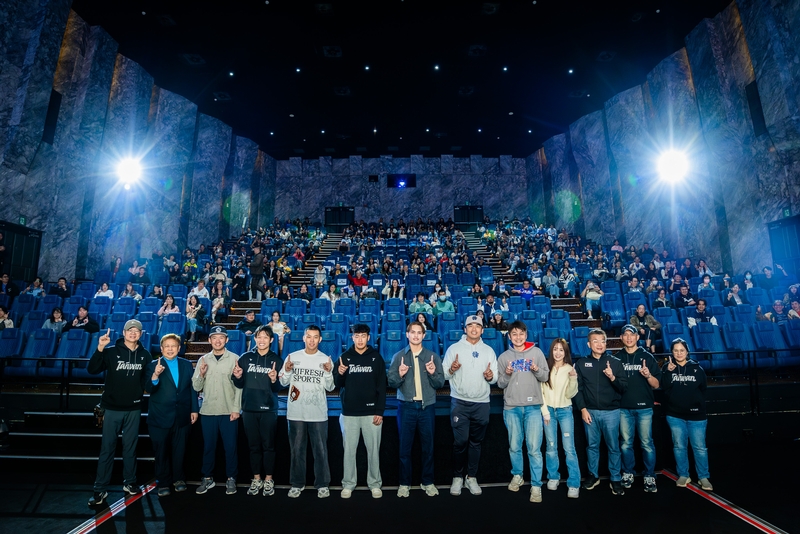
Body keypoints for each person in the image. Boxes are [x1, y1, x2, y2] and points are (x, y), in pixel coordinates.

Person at [86, 321, 153, 506]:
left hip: (134, 408)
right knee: (107, 449)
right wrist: (100, 347)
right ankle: (100, 489)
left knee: (130, 448)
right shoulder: (110, 352)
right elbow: (92, 370)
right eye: (130, 330)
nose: (133, 333)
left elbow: (148, 382)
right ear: (124, 332)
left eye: (136, 331)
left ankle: (130, 482)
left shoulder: (145, 355)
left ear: (141, 334)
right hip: (112, 408)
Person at [442, 315, 498, 496]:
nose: (474, 329)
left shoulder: (489, 350)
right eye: (470, 326)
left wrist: (490, 376)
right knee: (460, 442)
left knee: (476, 442)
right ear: (464, 329)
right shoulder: (454, 349)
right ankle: (457, 477)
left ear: (482, 330)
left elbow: (495, 377)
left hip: (482, 403)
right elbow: (443, 374)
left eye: (477, 326)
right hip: (460, 402)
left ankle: (471, 477)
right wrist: (452, 369)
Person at [387, 321, 444, 497]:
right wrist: (400, 374)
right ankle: (404, 483)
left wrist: (432, 373)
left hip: (427, 407)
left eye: (419, 332)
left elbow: (440, 383)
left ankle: (428, 482)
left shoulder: (432, 356)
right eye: (413, 332)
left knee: (428, 448)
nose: (416, 335)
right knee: (405, 449)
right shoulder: (399, 356)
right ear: (407, 334)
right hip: (406, 407)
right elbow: (391, 382)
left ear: (424, 335)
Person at [278, 325, 335, 498]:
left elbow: (330, 387)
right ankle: (297, 483)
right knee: (297, 450)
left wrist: (327, 372)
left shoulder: (325, 359)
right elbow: (283, 382)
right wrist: (287, 370)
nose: (312, 340)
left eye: (315, 337)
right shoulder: (292, 357)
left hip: (318, 413)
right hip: (296, 412)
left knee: (321, 451)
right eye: (308, 336)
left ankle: (322, 484)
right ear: (304, 338)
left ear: (320, 339)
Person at [496, 321, 549, 502]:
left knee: (534, 449)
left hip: (533, 408)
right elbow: (500, 383)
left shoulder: (537, 353)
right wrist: (507, 373)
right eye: (514, 334)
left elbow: (545, 376)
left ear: (526, 335)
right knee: (514, 446)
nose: (518, 337)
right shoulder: (503, 357)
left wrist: (536, 369)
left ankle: (536, 485)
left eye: (521, 334)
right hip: (512, 408)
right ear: (509, 337)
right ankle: (517, 475)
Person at [334, 324, 387, 499]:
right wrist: (340, 373)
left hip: (372, 413)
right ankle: (348, 484)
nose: (360, 339)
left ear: (368, 337)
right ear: (352, 338)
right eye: (357, 336)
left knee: (373, 452)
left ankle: (375, 484)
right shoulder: (344, 357)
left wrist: (379, 411)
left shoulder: (376, 358)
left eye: (363, 336)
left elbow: (382, 387)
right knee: (349, 452)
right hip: (349, 413)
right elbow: (337, 384)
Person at [573, 328, 628, 495]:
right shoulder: (581, 363)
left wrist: (612, 377)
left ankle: (616, 478)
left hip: (611, 412)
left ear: (606, 343)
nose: (599, 344)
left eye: (602, 341)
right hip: (589, 412)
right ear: (589, 344)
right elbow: (578, 389)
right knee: (592, 446)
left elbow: (624, 387)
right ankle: (593, 475)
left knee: (613, 447)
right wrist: (583, 409)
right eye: (595, 341)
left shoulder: (615, 362)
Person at [145, 334, 199, 497]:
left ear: (179, 348)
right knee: (161, 452)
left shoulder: (186, 364)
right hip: (159, 417)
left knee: (180, 450)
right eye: (167, 346)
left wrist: (194, 409)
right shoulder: (152, 365)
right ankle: (163, 482)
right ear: (161, 349)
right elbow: (148, 388)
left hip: (182, 416)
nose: (170, 349)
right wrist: (155, 375)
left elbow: (192, 389)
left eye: (173, 346)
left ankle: (179, 479)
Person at [232, 325, 283, 497]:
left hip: (269, 410)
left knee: (268, 446)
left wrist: (274, 380)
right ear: (255, 338)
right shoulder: (245, 358)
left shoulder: (277, 360)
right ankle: (256, 478)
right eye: (259, 337)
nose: (262, 340)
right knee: (253, 446)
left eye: (265, 337)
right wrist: (238, 376)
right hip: (249, 409)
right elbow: (239, 383)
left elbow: (278, 388)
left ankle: (268, 479)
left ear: (271, 340)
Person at [192, 326, 242, 495]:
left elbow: (239, 388)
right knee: (208, 447)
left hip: (228, 411)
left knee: (230, 447)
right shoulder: (203, 360)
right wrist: (201, 374)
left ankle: (231, 478)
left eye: (221, 337)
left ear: (226, 340)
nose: (218, 341)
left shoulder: (235, 359)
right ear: (209, 340)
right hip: (208, 411)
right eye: (214, 337)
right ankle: (207, 478)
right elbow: (196, 386)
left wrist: (236, 409)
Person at [616, 325, 661, 493]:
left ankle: (649, 475)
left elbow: (656, 385)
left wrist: (648, 375)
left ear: (637, 337)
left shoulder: (647, 357)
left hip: (644, 409)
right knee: (625, 444)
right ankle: (628, 473)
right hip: (623, 408)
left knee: (646, 443)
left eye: (632, 334)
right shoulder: (616, 358)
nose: (629, 338)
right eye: (625, 334)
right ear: (621, 338)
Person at [663, 338, 712, 491]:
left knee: (700, 448)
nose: (679, 353)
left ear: (687, 351)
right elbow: (664, 387)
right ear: (672, 352)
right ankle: (684, 474)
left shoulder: (697, 368)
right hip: (675, 416)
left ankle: (703, 477)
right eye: (676, 350)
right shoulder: (667, 368)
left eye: (682, 350)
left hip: (697, 417)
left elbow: (703, 389)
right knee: (679, 446)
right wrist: (668, 372)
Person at [540, 338, 580, 499]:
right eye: (555, 349)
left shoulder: (570, 369)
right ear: (551, 351)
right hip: (548, 411)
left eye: (561, 350)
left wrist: (573, 378)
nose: (558, 353)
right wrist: (545, 412)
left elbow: (570, 394)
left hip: (565, 411)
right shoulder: (545, 368)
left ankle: (574, 483)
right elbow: (541, 392)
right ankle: (553, 476)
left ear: (565, 352)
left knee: (569, 448)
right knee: (551, 446)